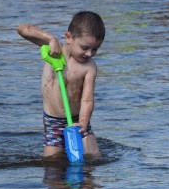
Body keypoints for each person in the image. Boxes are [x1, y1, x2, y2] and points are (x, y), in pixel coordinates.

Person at [17, 11, 105, 160]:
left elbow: (87, 100)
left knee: (93, 158)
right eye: (84, 48)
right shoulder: (54, 50)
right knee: (53, 166)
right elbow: (22, 29)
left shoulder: (89, 67)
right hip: (54, 122)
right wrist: (49, 38)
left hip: (78, 119)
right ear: (69, 38)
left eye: (95, 49)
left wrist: (82, 124)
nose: (89, 54)